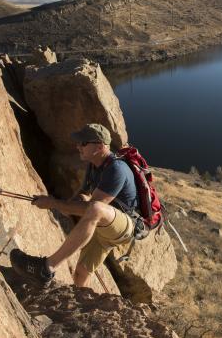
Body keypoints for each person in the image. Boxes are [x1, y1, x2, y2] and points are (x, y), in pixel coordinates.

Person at [10, 123, 138, 287]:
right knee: (80, 274)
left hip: (124, 227)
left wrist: (53, 203)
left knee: (95, 208)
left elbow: (92, 208)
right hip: (104, 228)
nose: (78, 146)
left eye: (83, 143)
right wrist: (67, 205)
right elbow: (79, 199)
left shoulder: (116, 169)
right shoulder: (93, 165)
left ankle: (45, 269)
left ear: (99, 146)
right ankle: (85, 304)